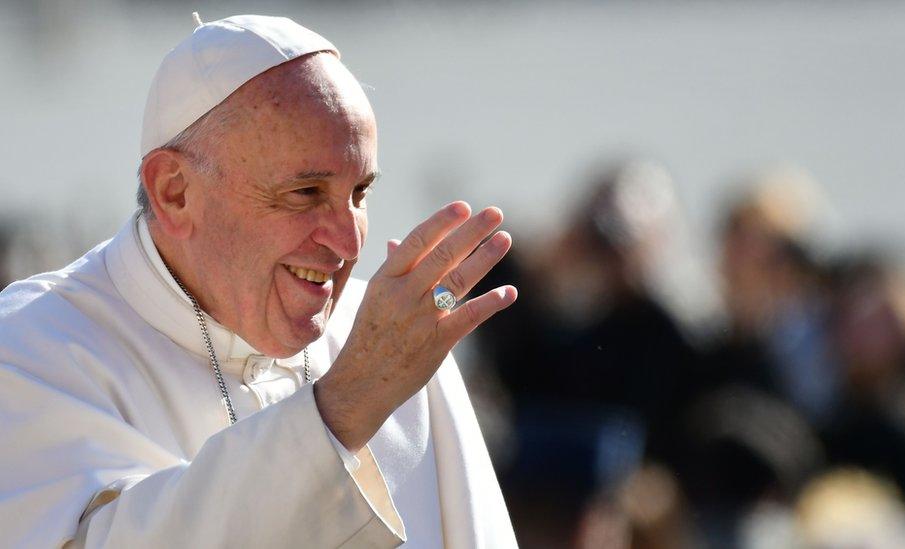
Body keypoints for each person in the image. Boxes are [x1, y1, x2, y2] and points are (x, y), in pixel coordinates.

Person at [0, 14, 518, 548]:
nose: (348, 242)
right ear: (174, 192)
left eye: (359, 194)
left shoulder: (400, 343)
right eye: (306, 192)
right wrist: (345, 405)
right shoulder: (34, 348)